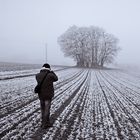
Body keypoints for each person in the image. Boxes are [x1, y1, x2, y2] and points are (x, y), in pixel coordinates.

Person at [35, 63, 58, 129]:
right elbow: (56, 79)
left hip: (41, 95)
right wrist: (52, 72)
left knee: (42, 109)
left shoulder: (37, 75)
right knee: (47, 109)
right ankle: (46, 123)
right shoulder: (50, 75)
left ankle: (43, 122)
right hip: (48, 95)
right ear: (49, 68)